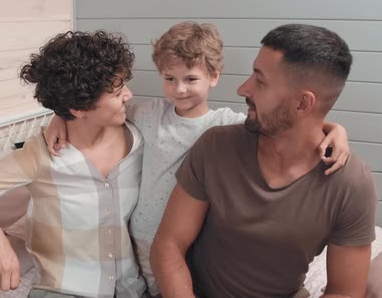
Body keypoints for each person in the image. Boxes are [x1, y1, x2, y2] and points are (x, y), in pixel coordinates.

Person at [44, 22, 351, 297]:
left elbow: (282, 124)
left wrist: (332, 128)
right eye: (169, 78)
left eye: (190, 79)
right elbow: (99, 111)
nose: (179, 89)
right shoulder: (148, 114)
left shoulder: (225, 123)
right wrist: (60, 116)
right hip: (137, 235)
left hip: (189, 240)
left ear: (214, 76)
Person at [151, 24, 377, 298]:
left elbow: (346, 292)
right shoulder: (216, 146)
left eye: (260, 80)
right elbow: (169, 244)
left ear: (303, 104)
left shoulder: (350, 184)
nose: (243, 88)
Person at [0, 30, 146, 298]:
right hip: (64, 289)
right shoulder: (40, 155)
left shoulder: (139, 132)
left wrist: (59, 116)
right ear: (78, 109)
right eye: (116, 92)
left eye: (123, 83)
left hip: (131, 288)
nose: (129, 94)